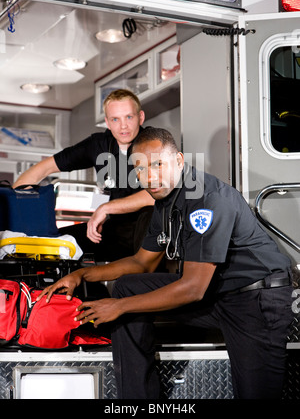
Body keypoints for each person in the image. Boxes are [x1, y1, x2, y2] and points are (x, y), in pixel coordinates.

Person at [37, 127, 293, 399]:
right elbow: (141, 263)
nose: (149, 176)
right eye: (140, 169)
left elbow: (193, 288)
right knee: (128, 286)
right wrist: (82, 274)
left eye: (158, 164)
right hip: (217, 292)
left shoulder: (207, 199)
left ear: (179, 161)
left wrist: (118, 307)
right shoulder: (164, 201)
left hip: (256, 299)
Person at [12, 89, 154, 262]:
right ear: (107, 123)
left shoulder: (155, 143)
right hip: (113, 231)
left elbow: (154, 195)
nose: (123, 126)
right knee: (53, 245)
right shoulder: (98, 145)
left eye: (129, 117)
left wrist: (105, 209)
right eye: (115, 119)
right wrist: (16, 203)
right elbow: (43, 169)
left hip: (149, 233)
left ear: (141, 117)